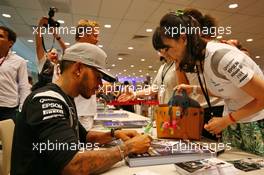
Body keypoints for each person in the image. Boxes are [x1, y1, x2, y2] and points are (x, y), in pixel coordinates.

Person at [11, 43, 151, 175]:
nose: (99, 84)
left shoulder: (65, 98)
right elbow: (73, 165)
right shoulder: (46, 101)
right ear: (78, 69)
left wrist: (115, 133)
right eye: (97, 77)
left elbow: (84, 137)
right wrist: (127, 148)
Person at [152, 11, 264, 155]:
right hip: (236, 123)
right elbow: (224, 89)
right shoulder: (202, 59)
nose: (166, 56)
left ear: (183, 38)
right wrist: (192, 89)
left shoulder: (222, 57)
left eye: (167, 49)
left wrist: (226, 120)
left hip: (256, 123)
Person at [74, 19, 101, 130]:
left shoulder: (88, 56)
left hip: (86, 111)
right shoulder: (74, 55)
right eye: (95, 35)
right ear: (85, 35)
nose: (97, 39)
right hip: (81, 112)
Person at [0, 26, 30, 121]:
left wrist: (22, 111)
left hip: (7, 109)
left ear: (10, 43)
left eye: (0, 36)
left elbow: (24, 87)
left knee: (6, 136)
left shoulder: (19, 61)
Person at [32, 17, 67, 91]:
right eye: (52, 53)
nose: (55, 55)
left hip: (59, 95)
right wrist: (40, 25)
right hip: (44, 95)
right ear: (46, 56)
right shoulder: (43, 63)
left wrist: (56, 35)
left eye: (56, 54)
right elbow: (39, 45)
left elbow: (66, 51)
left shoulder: (61, 66)